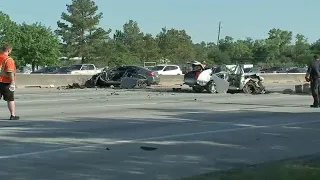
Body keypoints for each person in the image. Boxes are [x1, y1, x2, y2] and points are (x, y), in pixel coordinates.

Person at [0, 43, 19, 120]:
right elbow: (10, 71)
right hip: (5, 83)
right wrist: (12, 82)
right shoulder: (9, 59)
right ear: (8, 50)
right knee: (10, 99)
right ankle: (13, 115)